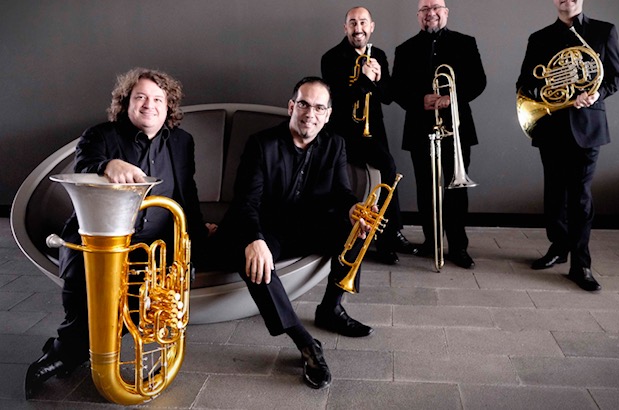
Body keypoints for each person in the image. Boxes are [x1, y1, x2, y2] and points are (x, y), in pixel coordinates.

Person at [25, 68, 216, 398]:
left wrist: (196, 234)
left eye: (158, 99)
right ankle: (66, 351)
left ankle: (83, 350)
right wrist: (106, 165)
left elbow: (187, 191)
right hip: (99, 241)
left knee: (144, 306)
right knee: (86, 302)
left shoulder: (182, 141)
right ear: (126, 102)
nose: (149, 105)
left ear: (169, 106)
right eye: (140, 97)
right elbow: (84, 163)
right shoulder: (100, 135)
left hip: (156, 243)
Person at [212, 77, 374, 390]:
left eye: (319, 108)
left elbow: (341, 192)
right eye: (303, 104)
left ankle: (331, 309)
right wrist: (255, 239)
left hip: (304, 227)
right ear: (291, 107)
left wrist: (354, 209)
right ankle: (305, 342)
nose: (310, 114)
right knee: (256, 262)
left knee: (357, 230)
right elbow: (246, 201)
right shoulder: (261, 144)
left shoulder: (335, 144)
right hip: (263, 227)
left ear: (328, 114)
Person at [516, 0, 619, 290]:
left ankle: (581, 264)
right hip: (551, 124)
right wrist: (552, 90)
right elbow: (525, 84)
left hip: (587, 126)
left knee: (580, 198)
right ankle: (558, 246)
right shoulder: (539, 38)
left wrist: (595, 94)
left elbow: (616, 76)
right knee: (554, 195)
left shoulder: (604, 31)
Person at [392, 0, 486, 269]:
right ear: (418, 15)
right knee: (426, 189)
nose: (430, 13)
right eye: (424, 9)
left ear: (446, 12)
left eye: (435, 8)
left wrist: (451, 97)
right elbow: (397, 89)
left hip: (456, 127)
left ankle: (458, 247)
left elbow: (478, 81)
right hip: (420, 128)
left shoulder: (465, 43)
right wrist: (420, 100)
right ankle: (431, 242)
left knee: (456, 191)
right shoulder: (404, 49)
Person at [321, 6, 417, 265]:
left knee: (387, 173)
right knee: (386, 168)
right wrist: (364, 80)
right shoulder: (331, 58)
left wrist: (378, 78)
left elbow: (387, 97)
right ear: (345, 28)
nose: (358, 28)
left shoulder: (379, 55)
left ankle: (388, 235)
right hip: (344, 134)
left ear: (371, 27)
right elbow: (338, 100)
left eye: (363, 22)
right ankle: (386, 237)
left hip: (373, 131)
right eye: (353, 23)